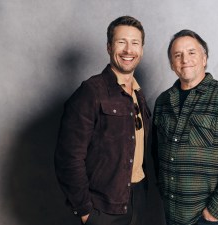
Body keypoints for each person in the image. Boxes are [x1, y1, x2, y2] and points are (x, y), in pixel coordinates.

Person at [55, 16, 151, 225]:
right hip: (103, 210)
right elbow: (68, 157)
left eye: (135, 43)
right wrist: (85, 210)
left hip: (138, 202)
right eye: (121, 42)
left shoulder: (138, 94)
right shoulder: (90, 92)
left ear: (141, 50)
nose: (128, 50)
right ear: (109, 47)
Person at [152, 29, 218, 225]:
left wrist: (214, 211)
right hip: (172, 212)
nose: (184, 59)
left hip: (208, 218)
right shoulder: (163, 101)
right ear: (172, 64)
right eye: (177, 55)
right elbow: (156, 152)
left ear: (204, 58)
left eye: (191, 52)